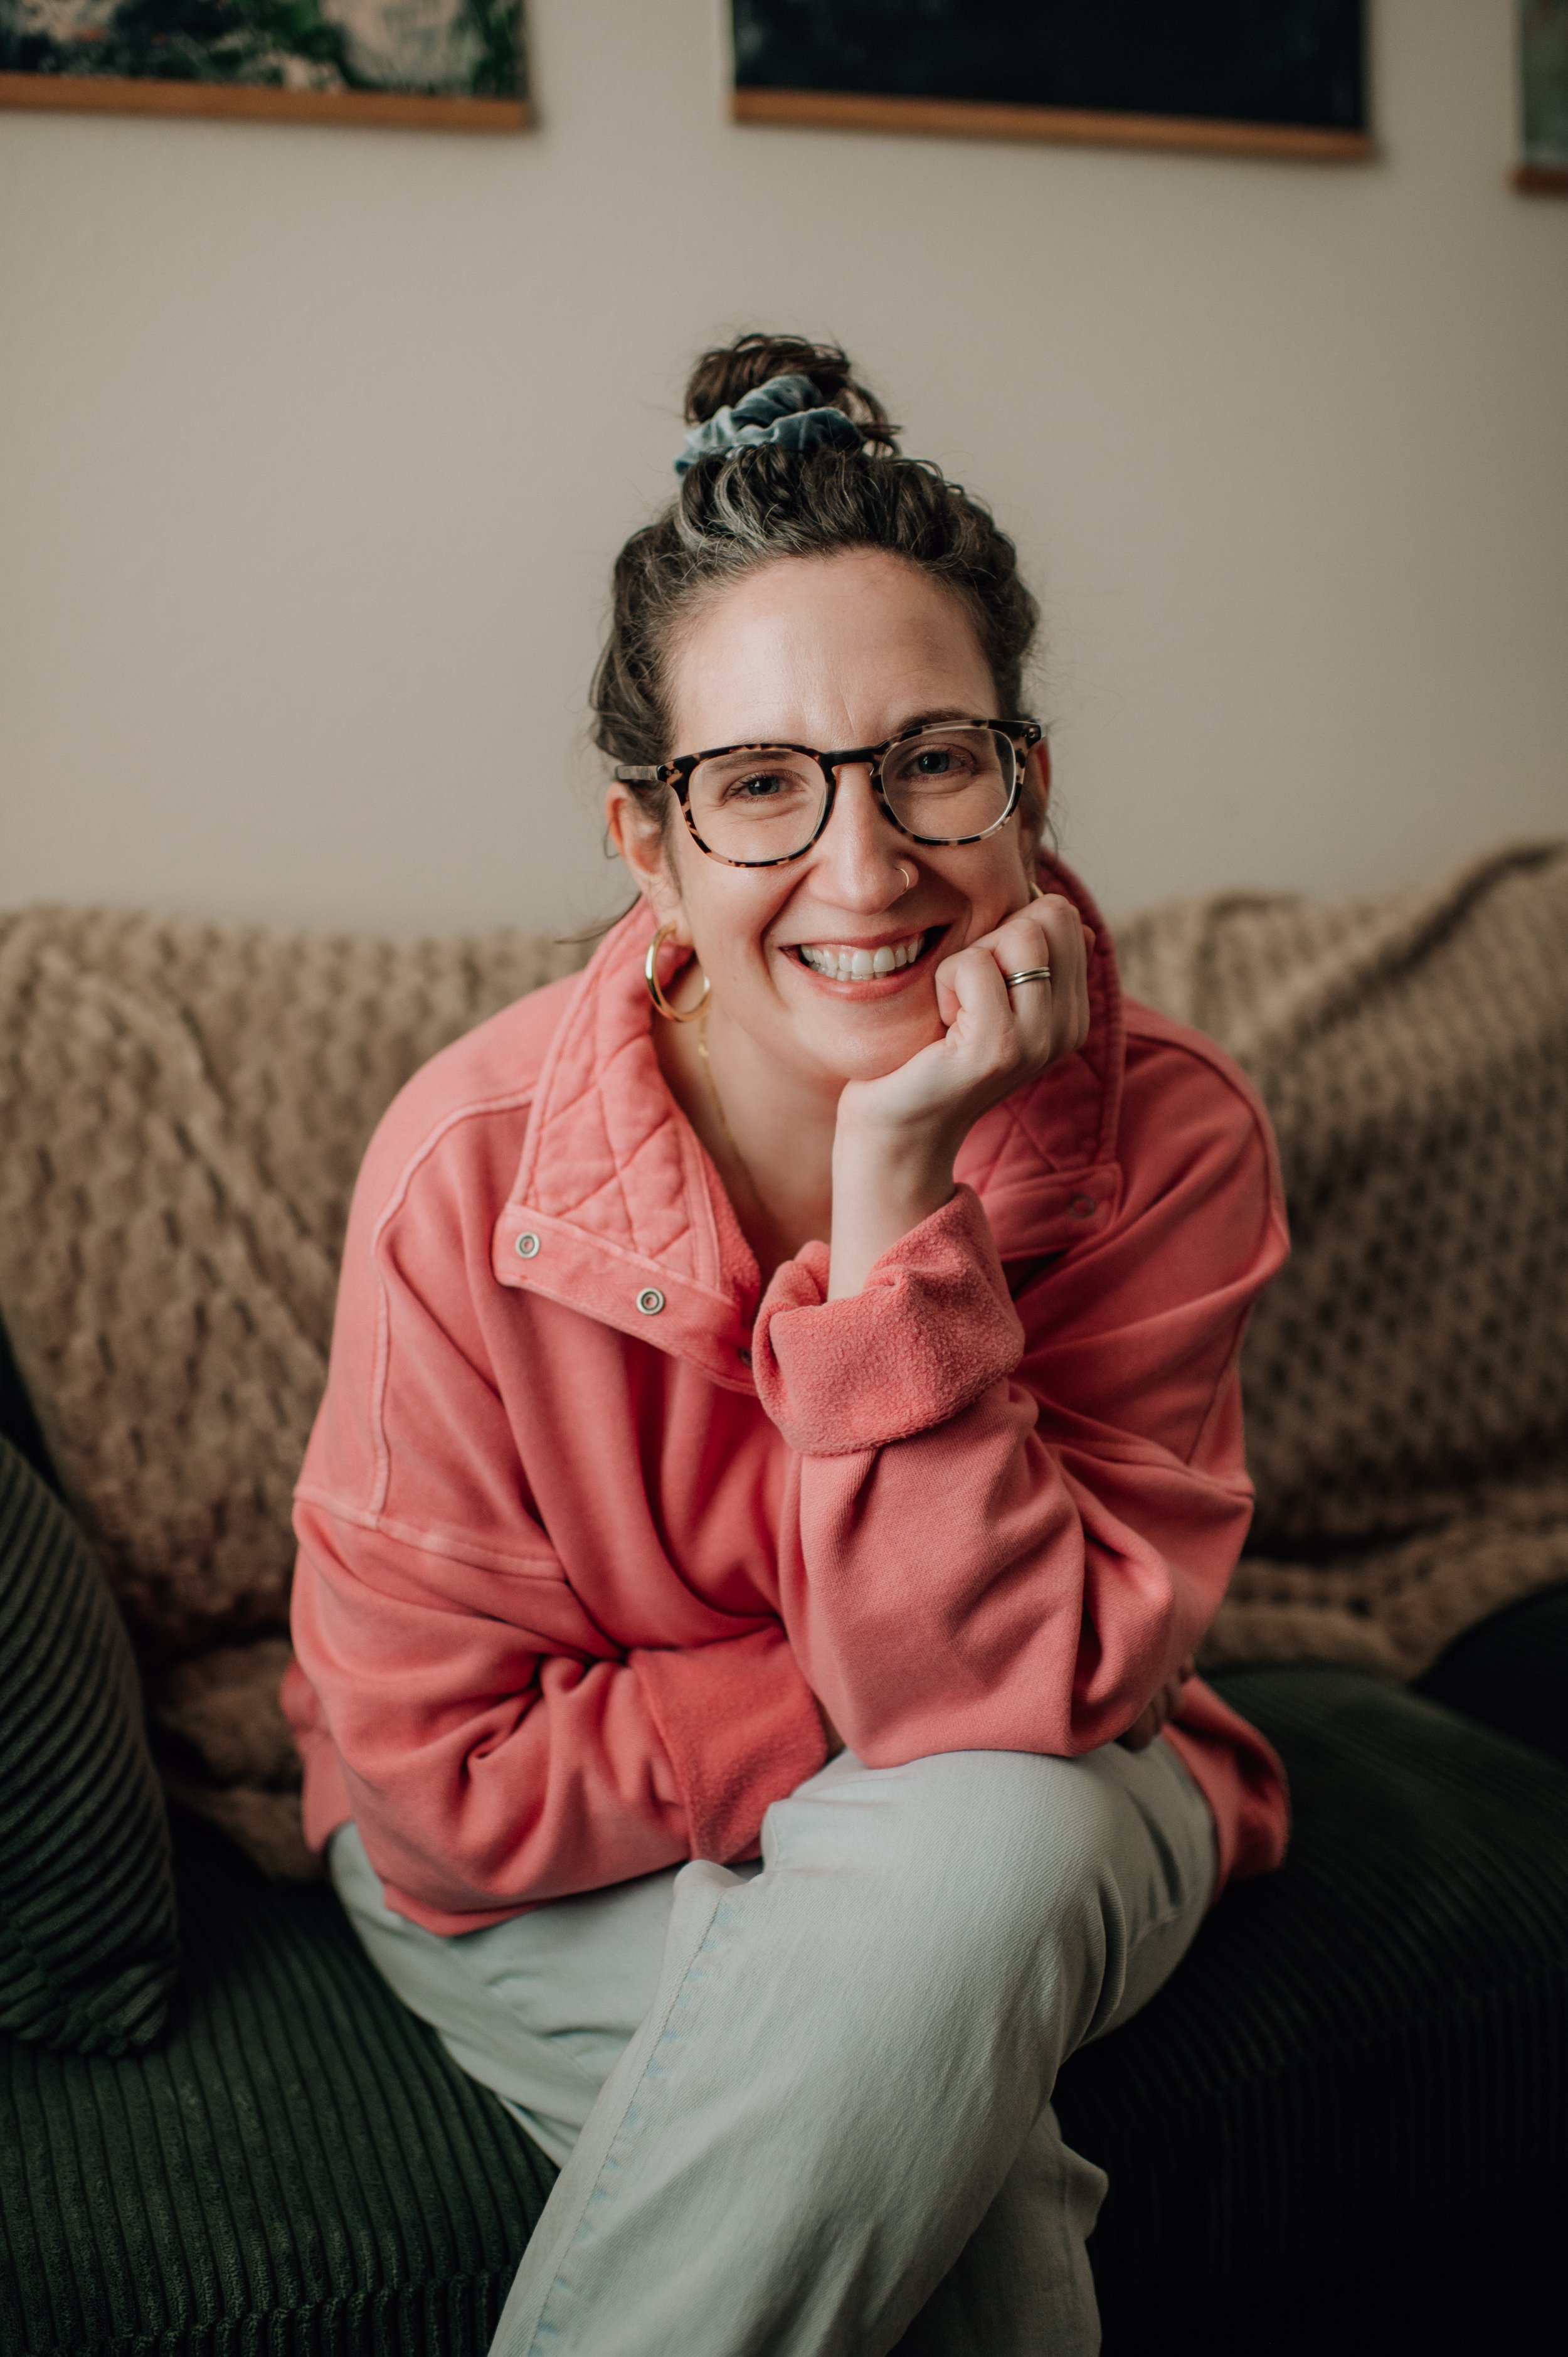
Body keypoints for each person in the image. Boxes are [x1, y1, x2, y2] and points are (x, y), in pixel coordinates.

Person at [284, 334, 1291, 2356]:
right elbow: (444, 1789)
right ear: (645, 847)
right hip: (537, 1879)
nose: (863, 868)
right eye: (757, 786)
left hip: (1053, 1802)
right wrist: (845, 1699)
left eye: (929, 760)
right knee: (970, 2212)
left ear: (1024, 785)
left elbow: (1033, 1705)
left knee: (1010, 1816)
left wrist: (895, 1188)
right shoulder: (466, 1169)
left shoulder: (1167, 1133)